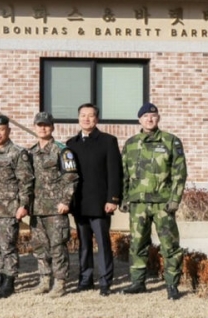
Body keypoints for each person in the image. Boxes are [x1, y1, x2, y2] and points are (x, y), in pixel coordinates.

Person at [120, 103, 187, 300]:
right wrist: (124, 198)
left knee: (170, 244)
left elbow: (179, 174)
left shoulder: (170, 141)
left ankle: (172, 284)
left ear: (158, 118)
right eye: (146, 116)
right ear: (139, 120)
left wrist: (175, 200)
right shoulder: (131, 143)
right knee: (137, 243)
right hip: (138, 203)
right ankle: (138, 282)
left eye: (153, 116)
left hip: (163, 204)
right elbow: (124, 174)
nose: (150, 119)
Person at [66, 103, 122, 297]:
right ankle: (85, 279)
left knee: (103, 243)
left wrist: (113, 198)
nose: (86, 119)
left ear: (97, 119)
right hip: (79, 203)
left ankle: (105, 281)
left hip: (100, 203)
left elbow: (115, 172)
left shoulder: (108, 141)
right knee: (84, 244)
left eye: (90, 116)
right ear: (78, 118)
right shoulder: (71, 144)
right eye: (83, 115)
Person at [0, 115, 34, 299]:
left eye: (1, 129)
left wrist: (23, 205)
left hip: (9, 209)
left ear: (9, 131)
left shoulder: (18, 153)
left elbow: (25, 181)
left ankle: (9, 282)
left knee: (8, 246)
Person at [29, 112, 78, 298]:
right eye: (40, 125)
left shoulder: (62, 151)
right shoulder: (30, 152)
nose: (43, 128)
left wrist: (65, 201)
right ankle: (44, 280)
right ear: (35, 127)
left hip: (56, 209)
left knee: (58, 247)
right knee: (40, 247)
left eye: (46, 125)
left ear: (52, 127)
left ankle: (60, 282)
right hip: (37, 209)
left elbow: (71, 178)